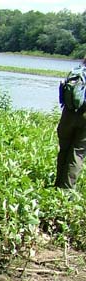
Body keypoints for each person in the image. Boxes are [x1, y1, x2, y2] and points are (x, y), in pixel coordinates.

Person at [55, 56, 86, 190]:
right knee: (77, 153)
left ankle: (58, 184)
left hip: (68, 114)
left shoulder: (77, 72)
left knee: (64, 150)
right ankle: (66, 189)